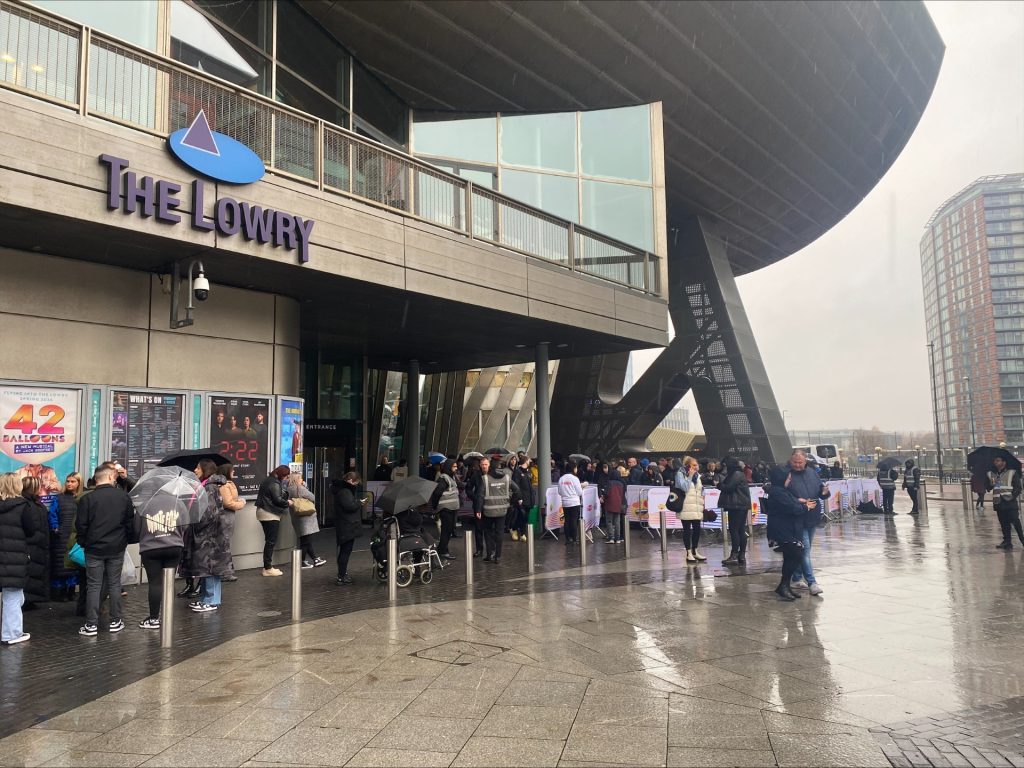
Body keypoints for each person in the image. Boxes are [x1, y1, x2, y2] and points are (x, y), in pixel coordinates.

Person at [75, 465, 134, 636]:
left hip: (93, 548)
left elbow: (81, 525)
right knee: (115, 584)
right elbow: (129, 523)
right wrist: (125, 540)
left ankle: (91, 624)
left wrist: (84, 542)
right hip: (116, 547)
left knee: (93, 585)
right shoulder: (123, 497)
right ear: (109, 477)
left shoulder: (87, 499)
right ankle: (116, 621)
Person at [134, 472, 188, 629]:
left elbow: (137, 529)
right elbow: (185, 525)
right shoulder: (178, 503)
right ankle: (168, 616)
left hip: (150, 548)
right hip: (174, 546)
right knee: (169, 583)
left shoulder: (144, 504)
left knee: (155, 584)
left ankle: (153, 619)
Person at [188, 459, 231, 613]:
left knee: (211, 567)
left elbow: (209, 514)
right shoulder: (206, 486)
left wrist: (195, 522)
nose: (195, 470)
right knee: (206, 567)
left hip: (210, 535)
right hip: (209, 534)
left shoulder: (209, 488)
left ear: (205, 469)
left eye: (198, 467)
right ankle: (206, 597)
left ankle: (212, 600)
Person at [786, 450, 829, 596]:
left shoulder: (812, 473)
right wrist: (798, 502)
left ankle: (797, 577)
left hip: (812, 516)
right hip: (796, 518)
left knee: (805, 550)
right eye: (795, 462)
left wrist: (824, 493)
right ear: (791, 461)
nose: (798, 465)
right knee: (805, 550)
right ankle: (812, 582)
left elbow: (820, 492)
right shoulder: (786, 474)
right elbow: (781, 495)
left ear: (805, 461)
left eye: (800, 462)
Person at [0, 472, 36, 644]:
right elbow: (31, 531)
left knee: (13, 595)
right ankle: (11, 634)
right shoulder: (23, 506)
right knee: (13, 596)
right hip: (14, 557)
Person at [764, 466, 806, 601]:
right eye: (788, 477)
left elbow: (793, 502)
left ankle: (785, 585)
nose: (790, 479)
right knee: (796, 555)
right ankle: (783, 585)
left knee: (792, 557)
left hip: (789, 528)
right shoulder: (778, 492)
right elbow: (791, 508)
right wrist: (805, 507)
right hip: (783, 529)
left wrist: (799, 502)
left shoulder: (783, 491)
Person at [473, 457, 521, 564]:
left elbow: (480, 495)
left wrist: (478, 509)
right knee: (499, 533)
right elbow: (517, 490)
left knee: (488, 532)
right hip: (502, 511)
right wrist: (510, 502)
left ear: (491, 466)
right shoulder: (507, 478)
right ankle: (498, 556)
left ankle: (490, 554)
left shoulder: (485, 478)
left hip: (488, 511)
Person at [254, 465, 293, 576]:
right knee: (271, 541)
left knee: (269, 540)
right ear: (282, 475)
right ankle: (267, 568)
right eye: (286, 476)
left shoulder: (268, 480)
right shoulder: (274, 483)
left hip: (263, 511)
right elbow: (278, 499)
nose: (286, 478)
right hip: (269, 513)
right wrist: (288, 503)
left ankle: (267, 567)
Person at [50, 473, 82, 602]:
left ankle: (71, 590)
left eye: (73, 481)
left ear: (78, 483)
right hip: (61, 536)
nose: (69, 484)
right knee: (61, 564)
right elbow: (53, 513)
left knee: (74, 564)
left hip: (76, 536)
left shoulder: (82, 498)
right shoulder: (59, 498)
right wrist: (55, 526)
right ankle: (61, 591)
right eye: (68, 481)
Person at [21, 476, 51, 607]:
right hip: (33, 544)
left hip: (38, 544)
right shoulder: (28, 504)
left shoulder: (35, 503)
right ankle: (27, 600)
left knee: (35, 573)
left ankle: (31, 599)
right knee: (31, 572)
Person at [330, 472, 363, 584]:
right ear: (350, 480)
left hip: (344, 524)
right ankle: (342, 575)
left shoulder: (342, 490)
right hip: (347, 525)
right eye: (356, 482)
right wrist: (359, 503)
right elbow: (350, 506)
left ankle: (342, 573)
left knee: (345, 550)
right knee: (345, 551)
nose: (356, 485)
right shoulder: (345, 491)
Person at [288, 473, 326, 568]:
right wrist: (305, 486)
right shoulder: (300, 488)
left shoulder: (289, 489)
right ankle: (302, 561)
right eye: (300, 478)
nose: (302, 479)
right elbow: (312, 497)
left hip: (297, 517)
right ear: (296, 479)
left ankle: (315, 559)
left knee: (306, 540)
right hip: (305, 517)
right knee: (306, 541)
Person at [719, 456, 750, 566]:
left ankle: (734, 554)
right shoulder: (739, 473)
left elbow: (729, 487)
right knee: (740, 530)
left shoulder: (735, 474)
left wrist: (719, 485)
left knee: (734, 530)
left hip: (737, 505)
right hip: (741, 505)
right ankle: (741, 555)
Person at [216, 464, 245, 581]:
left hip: (229, 516)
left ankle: (226, 571)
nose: (234, 472)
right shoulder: (224, 485)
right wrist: (241, 503)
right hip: (226, 516)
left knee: (225, 543)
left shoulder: (228, 483)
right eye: (232, 470)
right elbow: (228, 503)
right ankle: (225, 573)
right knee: (224, 544)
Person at [677, 456, 707, 563]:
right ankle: (688, 552)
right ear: (688, 465)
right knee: (687, 530)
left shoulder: (698, 476)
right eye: (694, 465)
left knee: (697, 529)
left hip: (696, 506)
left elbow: (700, 490)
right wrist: (689, 476)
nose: (696, 467)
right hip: (686, 506)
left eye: (696, 465)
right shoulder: (680, 474)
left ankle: (695, 551)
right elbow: (684, 487)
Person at [991, 456, 1024, 550]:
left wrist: (1012, 497)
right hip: (999, 503)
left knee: (1015, 522)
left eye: (998, 460)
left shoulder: (1012, 472)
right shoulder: (994, 474)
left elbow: (1018, 488)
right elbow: (991, 486)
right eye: (995, 461)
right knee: (1004, 523)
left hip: (1010, 503)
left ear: (1004, 462)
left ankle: (1022, 540)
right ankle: (1007, 542)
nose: (995, 462)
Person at [430, 460, 461, 561]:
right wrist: (435, 507)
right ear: (448, 467)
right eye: (454, 467)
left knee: (448, 530)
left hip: (451, 509)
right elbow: (437, 493)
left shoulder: (450, 477)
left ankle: (442, 549)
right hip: (446, 509)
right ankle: (442, 551)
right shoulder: (444, 479)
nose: (456, 468)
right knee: (446, 531)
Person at [557, 459, 585, 547]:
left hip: (565, 503)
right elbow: (580, 492)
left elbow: (559, 492)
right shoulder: (575, 478)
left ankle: (567, 539)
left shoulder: (561, 479)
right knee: (573, 521)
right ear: (573, 468)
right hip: (574, 502)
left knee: (567, 521)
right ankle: (574, 539)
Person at [511, 456, 534, 542]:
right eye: (529, 460)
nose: (530, 461)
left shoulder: (528, 472)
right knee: (521, 515)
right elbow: (516, 486)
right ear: (525, 461)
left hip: (528, 498)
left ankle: (523, 533)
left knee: (525, 516)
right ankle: (514, 529)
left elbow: (530, 485)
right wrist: (519, 498)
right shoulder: (517, 471)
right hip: (521, 499)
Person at [602, 466, 626, 543]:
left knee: (609, 521)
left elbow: (606, 493)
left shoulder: (610, 483)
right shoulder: (621, 484)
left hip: (610, 504)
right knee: (617, 522)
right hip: (618, 505)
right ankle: (618, 539)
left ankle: (611, 538)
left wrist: (603, 496)